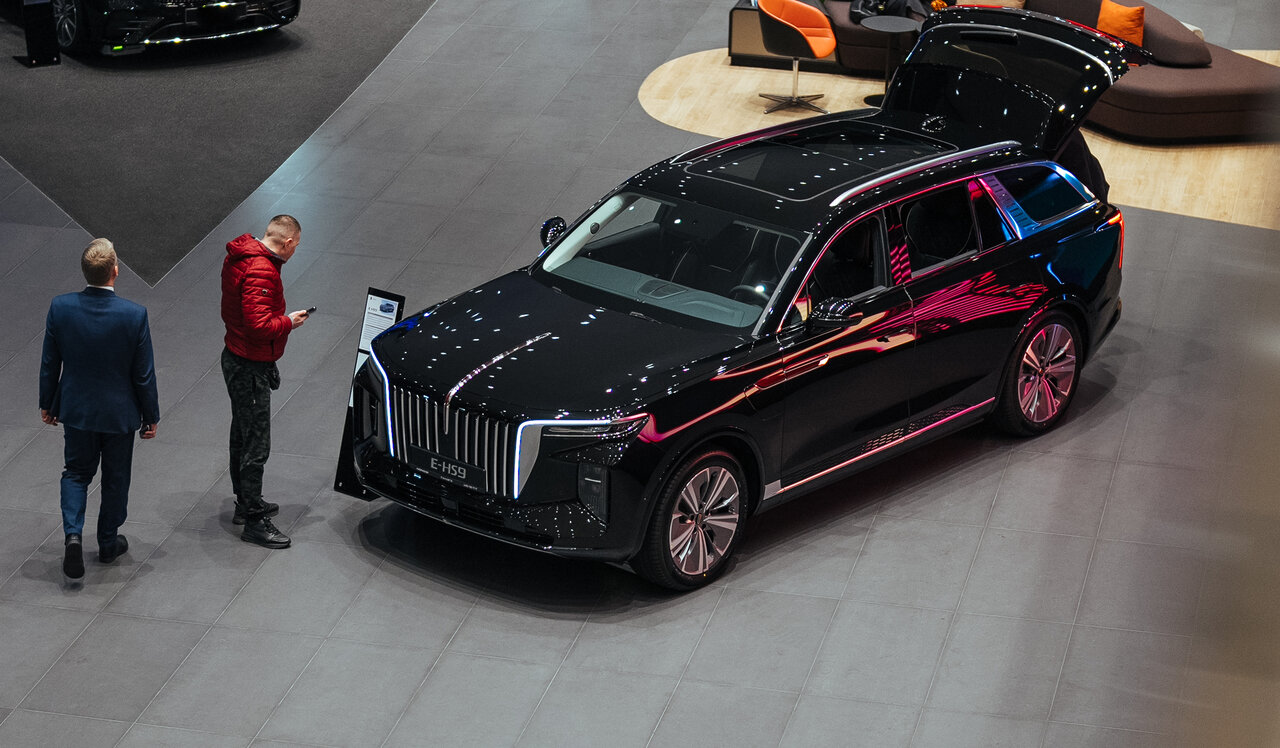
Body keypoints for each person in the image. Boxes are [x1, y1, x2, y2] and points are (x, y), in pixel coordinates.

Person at [39, 238, 159, 581]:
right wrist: (150, 415)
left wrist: (47, 403)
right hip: (119, 415)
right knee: (116, 478)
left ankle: (73, 536)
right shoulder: (134, 315)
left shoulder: (61, 308)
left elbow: (50, 363)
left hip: (77, 410)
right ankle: (107, 542)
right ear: (115, 271)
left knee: (76, 473)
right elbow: (143, 374)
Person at [220, 214, 309, 549]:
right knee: (256, 444)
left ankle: (245, 502)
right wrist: (288, 322)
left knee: (241, 434)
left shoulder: (240, 257)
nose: (295, 251)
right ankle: (255, 521)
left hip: (236, 356)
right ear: (288, 242)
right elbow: (258, 326)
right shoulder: (262, 270)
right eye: (296, 246)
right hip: (250, 367)